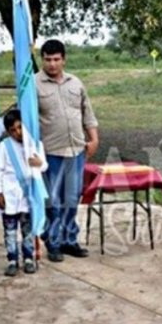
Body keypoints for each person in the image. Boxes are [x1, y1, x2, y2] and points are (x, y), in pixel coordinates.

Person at [36, 39, 99, 262]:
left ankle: (69, 240)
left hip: (76, 150)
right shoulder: (34, 85)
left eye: (56, 59)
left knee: (72, 198)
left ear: (64, 59)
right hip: (50, 152)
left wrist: (93, 139)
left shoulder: (76, 83)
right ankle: (53, 242)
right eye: (47, 59)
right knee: (53, 201)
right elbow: (28, 121)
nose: (52, 64)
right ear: (41, 59)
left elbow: (87, 113)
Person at [0, 108, 47, 276]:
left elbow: (44, 165)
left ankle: (28, 258)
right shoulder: (4, 146)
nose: (17, 133)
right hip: (9, 196)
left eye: (19, 128)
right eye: (13, 130)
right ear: (8, 132)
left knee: (27, 230)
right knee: (10, 231)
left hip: (28, 196)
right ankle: (12, 260)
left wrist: (39, 162)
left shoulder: (35, 144)